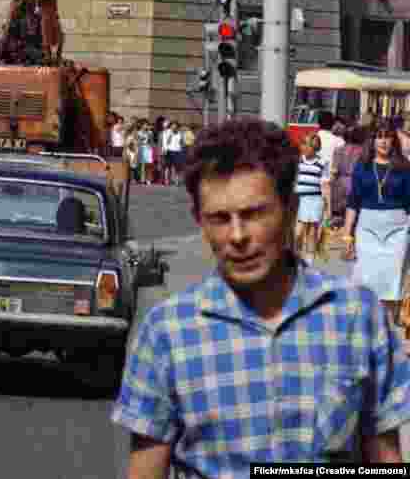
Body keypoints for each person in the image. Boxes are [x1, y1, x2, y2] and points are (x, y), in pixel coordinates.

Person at [113, 116, 410, 476]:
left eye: (254, 214)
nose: (238, 236)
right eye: (220, 218)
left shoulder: (357, 317)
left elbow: (386, 457)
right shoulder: (167, 333)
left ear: (290, 210)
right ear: (200, 221)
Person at [344, 119, 410, 328]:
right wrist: (347, 233)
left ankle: (387, 329)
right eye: (379, 136)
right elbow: (353, 202)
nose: (383, 141)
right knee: (367, 281)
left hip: (398, 231)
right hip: (367, 230)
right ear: (372, 140)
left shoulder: (405, 167)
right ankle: (368, 328)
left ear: (394, 141)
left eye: (387, 137)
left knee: (391, 282)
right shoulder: (362, 166)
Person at [294, 132, 325, 263]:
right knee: (298, 232)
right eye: (302, 144)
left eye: (306, 145)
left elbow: (325, 185)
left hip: (315, 199)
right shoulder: (298, 161)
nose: (303, 147)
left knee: (312, 231)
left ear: (314, 148)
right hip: (300, 199)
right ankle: (296, 256)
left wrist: (327, 206)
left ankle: (309, 259)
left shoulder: (322, 162)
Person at [331, 120, 367, 228]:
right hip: (356, 184)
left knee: (339, 219)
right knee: (355, 218)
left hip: (340, 184)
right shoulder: (364, 151)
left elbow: (334, 171)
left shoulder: (338, 150)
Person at [315, 109, 343, 226]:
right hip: (329, 179)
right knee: (326, 216)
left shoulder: (312, 138)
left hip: (312, 178)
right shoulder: (338, 141)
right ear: (332, 124)